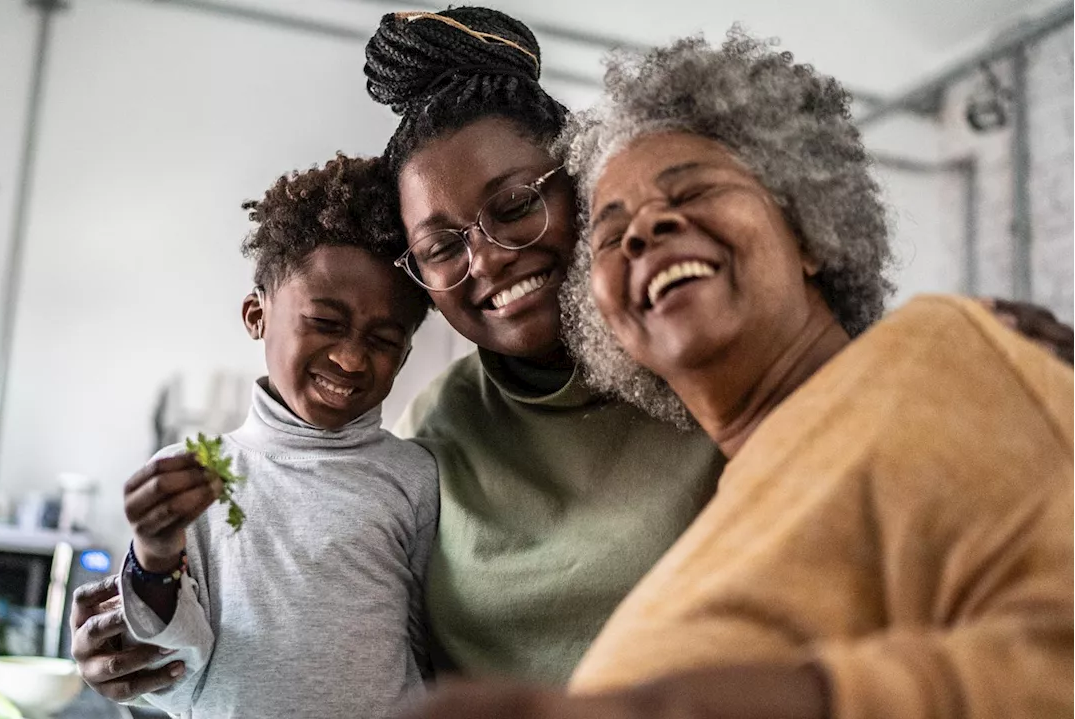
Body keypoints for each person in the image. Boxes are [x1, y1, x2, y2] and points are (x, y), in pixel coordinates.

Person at [70, 6, 1075, 700]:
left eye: (516, 206)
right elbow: (343, 638)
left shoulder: (714, 378)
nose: (489, 258)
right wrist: (161, 634)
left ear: (575, 189)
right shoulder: (431, 440)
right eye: (438, 247)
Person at [401, 30, 1075, 719]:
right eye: (612, 231)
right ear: (600, 312)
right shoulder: (725, 512)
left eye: (692, 189)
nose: (646, 229)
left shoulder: (936, 360)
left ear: (809, 229)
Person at [114, 154, 439, 719]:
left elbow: (430, 653)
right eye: (326, 323)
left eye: (384, 339)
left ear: (405, 352)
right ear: (255, 315)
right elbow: (169, 667)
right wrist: (154, 554)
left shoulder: (415, 478)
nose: (350, 357)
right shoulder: (192, 476)